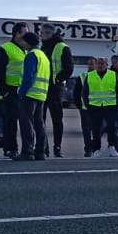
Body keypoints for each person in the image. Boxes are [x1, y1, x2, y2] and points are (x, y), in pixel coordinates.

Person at [13, 27, 51, 161]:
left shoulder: (31, 55)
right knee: (39, 123)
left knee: (26, 123)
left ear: (27, 42)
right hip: (41, 94)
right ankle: (40, 151)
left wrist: (22, 92)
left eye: (23, 42)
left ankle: (27, 151)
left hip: (30, 94)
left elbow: (28, 77)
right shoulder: (43, 56)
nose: (21, 44)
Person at [0, 21, 32, 157]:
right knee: (10, 121)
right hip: (11, 90)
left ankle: (25, 148)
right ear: (17, 33)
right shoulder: (6, 48)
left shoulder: (27, 49)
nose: (27, 35)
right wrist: (4, 90)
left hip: (24, 90)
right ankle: (10, 148)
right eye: (25, 32)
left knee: (24, 121)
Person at [39, 26, 74, 157]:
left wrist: (58, 79)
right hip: (42, 86)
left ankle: (57, 147)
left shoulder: (62, 47)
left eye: (45, 33)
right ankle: (44, 146)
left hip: (55, 87)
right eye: (41, 33)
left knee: (56, 119)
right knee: (40, 118)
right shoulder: (42, 48)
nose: (42, 35)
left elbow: (69, 68)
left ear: (52, 34)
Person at [77, 56, 118, 157]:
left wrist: (117, 104)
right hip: (95, 107)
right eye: (99, 64)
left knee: (112, 127)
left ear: (107, 65)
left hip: (110, 106)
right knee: (96, 129)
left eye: (102, 64)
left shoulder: (113, 75)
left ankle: (111, 146)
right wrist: (88, 105)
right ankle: (96, 149)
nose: (100, 66)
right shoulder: (90, 75)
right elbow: (85, 92)